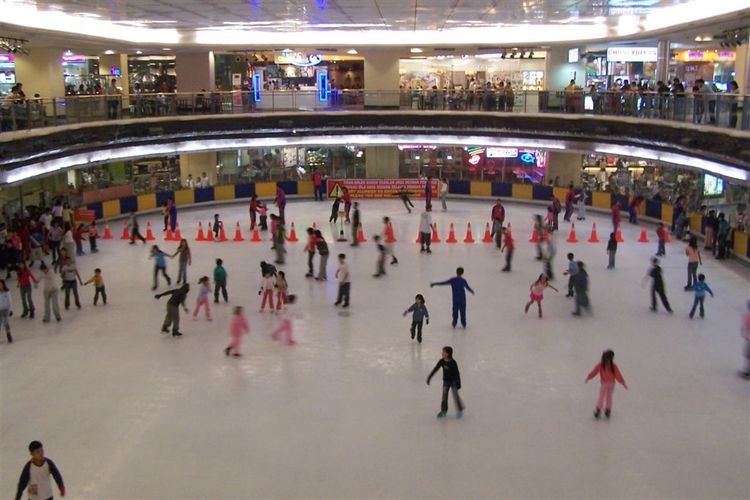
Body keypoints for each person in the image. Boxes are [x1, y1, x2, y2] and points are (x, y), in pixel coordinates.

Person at [585, 350, 628, 419]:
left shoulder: (608, 366)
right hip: (609, 384)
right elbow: (595, 372)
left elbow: (617, 375)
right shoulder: (607, 366)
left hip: (608, 384)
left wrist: (622, 382)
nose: (608, 361)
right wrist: (589, 377)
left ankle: (601, 409)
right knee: (606, 396)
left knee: (604, 396)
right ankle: (606, 409)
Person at [426, 346, 464, 419]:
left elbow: (457, 373)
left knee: (455, 396)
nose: (442, 353)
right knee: (444, 396)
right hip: (446, 381)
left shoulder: (453, 363)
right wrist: (429, 377)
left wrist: (458, 383)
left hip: (453, 381)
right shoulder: (442, 361)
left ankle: (460, 410)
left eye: (443, 352)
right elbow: (435, 369)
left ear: (447, 354)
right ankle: (444, 411)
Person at [740, 301, 750, 379]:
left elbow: (745, 327)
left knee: (748, 355)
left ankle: (747, 372)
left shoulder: (747, 316)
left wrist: (744, 334)